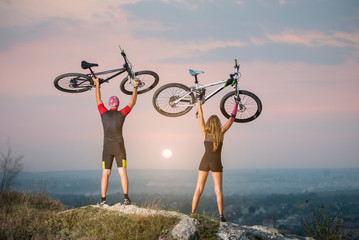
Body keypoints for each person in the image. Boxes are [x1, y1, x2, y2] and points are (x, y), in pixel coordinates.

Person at [191, 92, 239, 222]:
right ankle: (221, 216)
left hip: (204, 162)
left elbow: (200, 115)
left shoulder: (204, 132)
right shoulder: (221, 133)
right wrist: (236, 103)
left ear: (208, 124)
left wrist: (199, 101)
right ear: (217, 123)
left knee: (198, 188)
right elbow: (231, 119)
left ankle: (192, 213)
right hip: (216, 162)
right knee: (218, 190)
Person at [93, 77, 140, 206]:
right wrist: (135, 87)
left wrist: (97, 84)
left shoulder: (103, 113)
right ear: (117, 105)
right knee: (122, 172)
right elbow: (132, 102)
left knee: (105, 173)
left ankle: (102, 200)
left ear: (109, 105)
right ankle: (126, 199)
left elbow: (98, 99)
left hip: (107, 148)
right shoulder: (122, 114)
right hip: (119, 147)